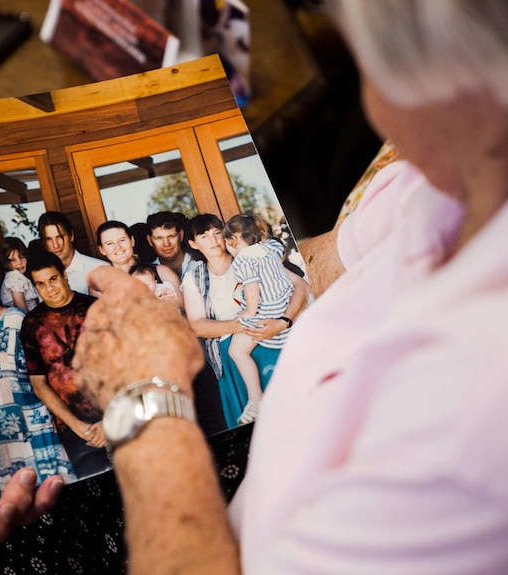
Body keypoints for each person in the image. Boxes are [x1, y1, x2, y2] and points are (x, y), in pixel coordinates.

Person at [75, 0, 508, 572]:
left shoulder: (466, 428)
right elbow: (323, 262)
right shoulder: (441, 182)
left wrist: (143, 389)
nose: (372, 105)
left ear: (449, 84)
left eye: (365, 67)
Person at [0, 260, 75, 499]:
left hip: (31, 418)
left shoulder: (16, 319)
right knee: (15, 500)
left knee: (53, 489)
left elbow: (41, 368)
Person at [183, 213, 308, 430]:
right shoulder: (194, 277)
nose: (213, 240)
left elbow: (301, 287)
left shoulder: (251, 256)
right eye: (204, 236)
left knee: (296, 416)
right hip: (233, 356)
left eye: (216, 233)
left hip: (273, 341)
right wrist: (246, 325)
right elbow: (197, 325)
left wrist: (283, 321)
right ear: (193, 244)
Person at [20, 250, 108, 478]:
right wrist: (78, 427)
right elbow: (39, 385)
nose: (49, 289)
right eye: (40, 284)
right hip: (77, 434)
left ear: (64, 275)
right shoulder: (32, 324)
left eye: (53, 279)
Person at [222, 214, 294, 424]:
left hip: (265, 311)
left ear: (232, 242)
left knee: (236, 350)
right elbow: (277, 252)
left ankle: (256, 399)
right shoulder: (271, 247)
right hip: (284, 304)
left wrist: (248, 313)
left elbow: (252, 291)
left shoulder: (243, 260)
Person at [96, 220, 182, 308]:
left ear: (132, 241)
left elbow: (185, 309)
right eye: (109, 243)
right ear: (102, 250)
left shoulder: (161, 272)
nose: (118, 247)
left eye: (122, 240)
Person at [37, 210, 108, 296]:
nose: (55, 245)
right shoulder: (41, 278)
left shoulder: (100, 269)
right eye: (49, 239)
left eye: (60, 237)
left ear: (71, 236)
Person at [145, 211, 195, 280]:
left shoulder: (200, 262)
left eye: (171, 236)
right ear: (150, 240)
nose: (166, 244)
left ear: (181, 235)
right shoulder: (147, 274)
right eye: (159, 238)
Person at [0, 237, 39, 312]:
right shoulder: (14, 276)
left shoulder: (19, 276)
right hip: (26, 317)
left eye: (22, 257)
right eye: (13, 260)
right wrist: (30, 321)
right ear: (5, 262)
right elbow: (19, 303)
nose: (19, 262)